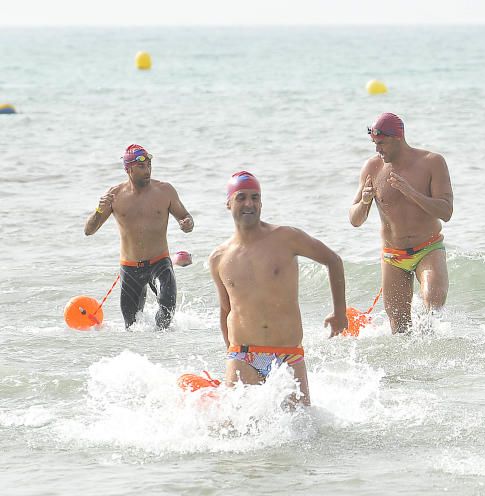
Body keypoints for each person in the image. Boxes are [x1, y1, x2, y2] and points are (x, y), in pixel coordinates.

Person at [209, 171, 348, 406]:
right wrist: (230, 354)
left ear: (261, 202)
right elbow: (226, 309)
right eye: (241, 197)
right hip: (243, 354)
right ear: (229, 203)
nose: (249, 204)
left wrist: (340, 313)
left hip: (287, 353)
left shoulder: (286, 238)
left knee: (302, 429)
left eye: (255, 197)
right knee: (236, 431)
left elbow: (333, 261)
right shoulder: (219, 258)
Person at [349, 112, 454, 333]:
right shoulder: (372, 168)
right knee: (399, 329)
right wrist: (365, 201)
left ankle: (433, 362)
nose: (378, 150)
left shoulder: (432, 163)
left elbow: (446, 212)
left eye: (382, 143)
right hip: (393, 256)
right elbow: (355, 219)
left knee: (433, 307)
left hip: (428, 248)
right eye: (374, 144)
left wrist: (411, 192)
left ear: (398, 138)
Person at [84, 144, 194, 329]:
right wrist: (98, 210)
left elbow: (186, 218)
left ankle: (165, 354)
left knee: (166, 316)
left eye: (149, 165)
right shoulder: (114, 195)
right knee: (131, 327)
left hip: (160, 264)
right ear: (128, 169)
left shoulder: (165, 191)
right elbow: (89, 230)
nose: (148, 170)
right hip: (130, 269)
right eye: (142, 166)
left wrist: (187, 224)